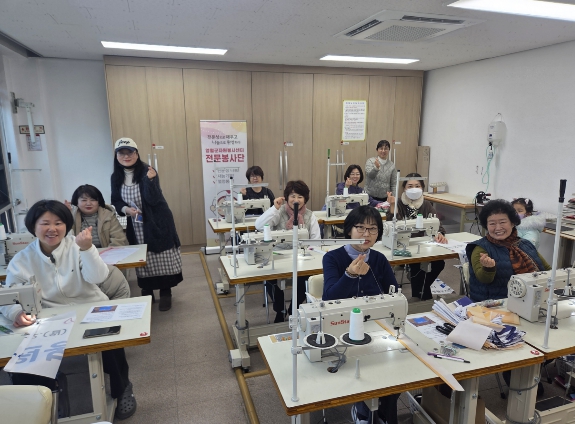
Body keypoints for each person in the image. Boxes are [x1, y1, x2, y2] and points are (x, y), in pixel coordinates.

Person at [0, 200, 137, 420]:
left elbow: (98, 277)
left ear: (66, 225)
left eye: (58, 223)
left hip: (89, 308)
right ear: (33, 226)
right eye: (45, 223)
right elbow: (9, 297)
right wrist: (16, 313)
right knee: (24, 357)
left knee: (110, 343)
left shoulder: (77, 246)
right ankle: (40, 401)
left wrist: (87, 249)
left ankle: (122, 388)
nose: (52, 229)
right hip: (50, 317)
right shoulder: (22, 259)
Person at [322, 206, 399, 424]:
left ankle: (382, 413)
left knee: (398, 367)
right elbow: (329, 298)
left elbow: (394, 294)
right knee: (365, 367)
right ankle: (364, 409)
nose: (366, 234)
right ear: (349, 230)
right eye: (360, 228)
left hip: (376, 324)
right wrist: (349, 274)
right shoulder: (333, 258)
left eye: (373, 229)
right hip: (344, 325)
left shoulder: (379, 259)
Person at [111, 137, 183, 312]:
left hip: (157, 220)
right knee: (143, 257)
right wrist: (126, 210)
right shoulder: (116, 177)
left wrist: (151, 181)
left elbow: (153, 199)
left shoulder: (148, 171)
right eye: (122, 153)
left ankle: (165, 292)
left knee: (161, 255)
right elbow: (116, 200)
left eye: (130, 152)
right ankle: (147, 291)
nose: (126, 156)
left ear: (136, 154)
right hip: (136, 224)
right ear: (117, 156)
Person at [255, 180, 320, 322]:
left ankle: (293, 309)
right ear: (286, 197)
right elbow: (259, 226)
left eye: (300, 197)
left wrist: (309, 255)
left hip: (302, 257)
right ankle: (280, 309)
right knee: (269, 277)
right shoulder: (278, 212)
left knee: (305, 278)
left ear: (305, 199)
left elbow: (315, 242)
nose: (296, 200)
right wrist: (274, 208)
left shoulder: (310, 216)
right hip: (278, 255)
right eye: (293, 196)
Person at [466, 199, 551, 302]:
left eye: (502, 222)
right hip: (494, 305)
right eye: (492, 223)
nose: (498, 228)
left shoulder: (525, 244)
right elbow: (483, 279)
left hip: (530, 300)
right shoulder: (480, 248)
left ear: (512, 223)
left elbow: (547, 269)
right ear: (486, 226)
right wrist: (488, 269)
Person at [387, 173, 448, 300]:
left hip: (419, 245)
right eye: (410, 186)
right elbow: (391, 226)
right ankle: (422, 296)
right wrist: (392, 206)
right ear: (404, 188)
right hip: (401, 246)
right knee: (417, 267)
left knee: (439, 263)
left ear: (422, 188)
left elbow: (437, 224)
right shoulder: (398, 203)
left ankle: (421, 291)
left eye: (417, 186)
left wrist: (439, 234)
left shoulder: (426, 205)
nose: (414, 189)